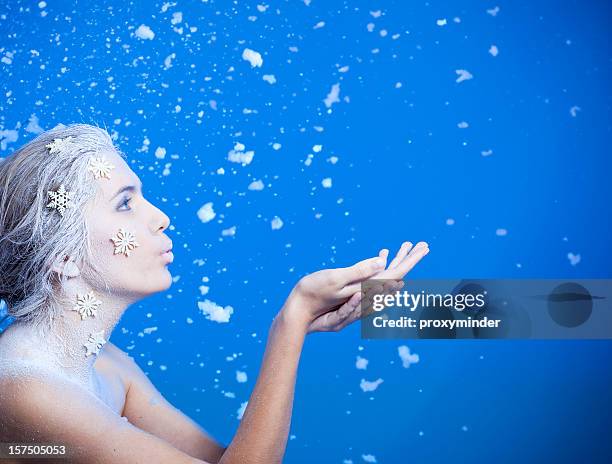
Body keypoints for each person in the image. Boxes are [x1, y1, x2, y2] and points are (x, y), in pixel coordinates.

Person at [0, 123, 430, 463]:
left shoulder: (109, 366)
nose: (162, 218)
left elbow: (226, 460)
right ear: (62, 255)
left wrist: (299, 326)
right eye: (125, 203)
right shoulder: (27, 389)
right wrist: (289, 324)